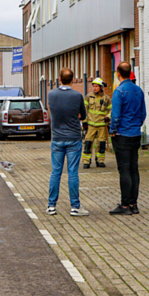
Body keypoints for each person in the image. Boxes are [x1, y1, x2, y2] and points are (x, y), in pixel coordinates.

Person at [46, 69, 88, 216]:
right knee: (72, 172)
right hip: (73, 138)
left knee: (56, 172)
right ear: (72, 80)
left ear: (59, 79)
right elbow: (83, 115)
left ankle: (51, 206)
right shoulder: (77, 95)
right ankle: (75, 207)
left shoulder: (51, 94)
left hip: (57, 138)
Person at [109, 62, 146, 215]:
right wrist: (136, 126)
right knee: (133, 169)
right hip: (136, 134)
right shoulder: (139, 91)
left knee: (124, 170)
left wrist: (113, 131)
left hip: (122, 135)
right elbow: (143, 114)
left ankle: (124, 206)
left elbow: (115, 115)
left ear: (118, 73)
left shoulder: (119, 91)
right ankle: (134, 204)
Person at [82, 78, 112, 169]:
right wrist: (84, 122)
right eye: (94, 86)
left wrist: (108, 117)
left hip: (102, 125)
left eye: (96, 86)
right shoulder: (88, 97)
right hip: (91, 125)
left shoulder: (106, 98)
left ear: (101, 87)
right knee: (88, 143)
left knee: (101, 144)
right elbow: (84, 110)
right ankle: (86, 162)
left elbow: (112, 109)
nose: (94, 88)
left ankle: (100, 161)